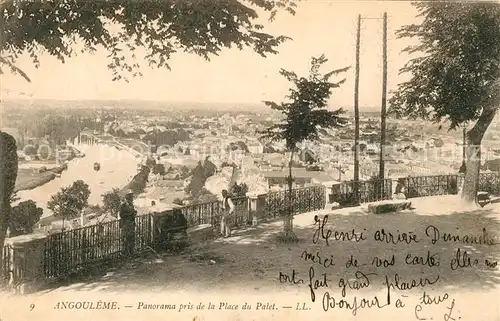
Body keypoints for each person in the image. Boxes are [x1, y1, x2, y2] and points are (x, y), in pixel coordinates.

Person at [119, 190, 137, 257]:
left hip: (131, 224)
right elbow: (121, 215)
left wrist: (134, 212)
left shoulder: (131, 205)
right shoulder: (123, 206)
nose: (132, 199)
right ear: (127, 198)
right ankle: (124, 253)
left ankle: (131, 252)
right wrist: (130, 214)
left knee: (131, 238)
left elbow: (132, 212)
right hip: (125, 225)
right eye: (130, 198)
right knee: (125, 239)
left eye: (132, 198)